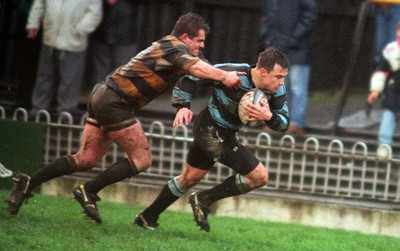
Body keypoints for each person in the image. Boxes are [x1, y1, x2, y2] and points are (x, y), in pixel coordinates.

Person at [6, 12, 243, 223]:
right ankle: (88, 190)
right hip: (115, 101)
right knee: (142, 159)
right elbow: (198, 69)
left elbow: (205, 69)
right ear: (185, 36)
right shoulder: (172, 48)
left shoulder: (178, 51)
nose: (201, 46)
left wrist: (237, 83)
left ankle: (27, 182)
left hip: (103, 94)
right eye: (199, 40)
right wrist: (224, 77)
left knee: (86, 159)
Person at [134, 47, 289, 232]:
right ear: (263, 72)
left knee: (188, 179)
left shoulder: (277, 91)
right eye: (278, 77)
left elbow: (284, 123)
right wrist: (182, 106)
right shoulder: (232, 72)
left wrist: (268, 117)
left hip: (226, 134)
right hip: (208, 129)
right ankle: (204, 199)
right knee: (259, 177)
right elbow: (190, 77)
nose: (281, 82)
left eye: (284, 77)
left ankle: (147, 216)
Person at [26, 0, 103, 119]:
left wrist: (79, 30)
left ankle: (66, 112)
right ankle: (39, 109)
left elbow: (95, 13)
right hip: (50, 38)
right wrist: (33, 23)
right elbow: (39, 3)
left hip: (73, 42)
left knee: (70, 80)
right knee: (44, 76)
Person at [259, 0, 317, 136]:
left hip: (297, 47)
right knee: (279, 86)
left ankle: (296, 122)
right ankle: (281, 121)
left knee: (296, 87)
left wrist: (293, 38)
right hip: (279, 45)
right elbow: (266, 16)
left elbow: (310, 15)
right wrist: (267, 36)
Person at [87, 0, 139, 86]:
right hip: (103, 32)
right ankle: (101, 97)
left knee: (124, 72)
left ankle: (121, 98)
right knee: (101, 73)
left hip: (125, 33)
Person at [367, 22, 400, 156]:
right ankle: (384, 145)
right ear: (398, 32)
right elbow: (381, 70)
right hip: (393, 86)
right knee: (389, 113)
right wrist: (376, 90)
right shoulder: (390, 50)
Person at [370, 0, 400, 66]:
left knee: (394, 43)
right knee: (379, 45)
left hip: (397, 6)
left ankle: (392, 71)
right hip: (380, 5)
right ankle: (380, 69)